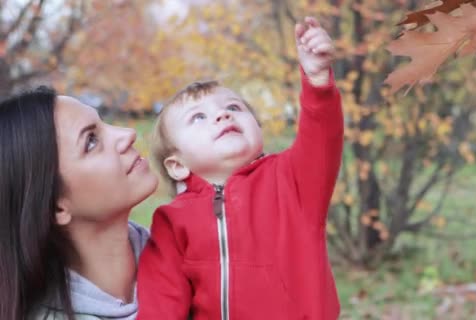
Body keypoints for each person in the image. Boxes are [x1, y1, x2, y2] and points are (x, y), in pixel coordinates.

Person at [137, 16, 343, 319]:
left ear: (258, 130)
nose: (222, 116)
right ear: (177, 165)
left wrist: (317, 82)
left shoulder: (291, 180)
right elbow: (162, 302)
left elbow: (322, 136)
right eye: (198, 117)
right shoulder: (172, 222)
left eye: (233, 107)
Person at [0, 86, 159, 320]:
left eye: (103, 123)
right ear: (56, 207)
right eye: (91, 141)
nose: (127, 134)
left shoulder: (194, 258)